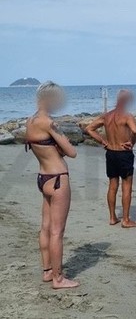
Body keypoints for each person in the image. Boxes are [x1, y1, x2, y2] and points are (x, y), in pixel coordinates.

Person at [25, 81, 79, 289]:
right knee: (57, 231)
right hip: (58, 178)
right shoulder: (49, 122)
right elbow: (72, 152)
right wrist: (62, 143)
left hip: (43, 177)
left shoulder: (30, 120)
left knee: (46, 227)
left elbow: (42, 146)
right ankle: (58, 278)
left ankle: (47, 271)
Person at [85, 90, 136, 228]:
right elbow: (135, 131)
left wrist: (102, 141)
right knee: (127, 186)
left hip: (111, 153)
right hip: (124, 153)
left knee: (112, 185)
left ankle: (112, 217)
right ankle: (126, 220)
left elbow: (89, 128)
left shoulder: (107, 116)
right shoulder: (127, 116)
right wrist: (131, 142)